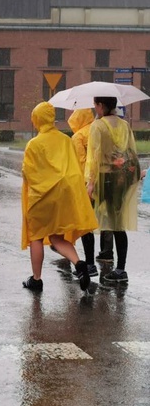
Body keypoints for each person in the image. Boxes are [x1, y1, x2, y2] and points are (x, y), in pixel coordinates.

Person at [21, 102, 97, 292]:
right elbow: (73, 168)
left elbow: (27, 172)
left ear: (37, 119)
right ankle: (79, 264)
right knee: (57, 237)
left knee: (36, 237)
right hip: (63, 197)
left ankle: (36, 279)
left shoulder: (34, 144)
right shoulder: (65, 140)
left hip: (41, 198)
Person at [85, 96, 140, 283]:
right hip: (120, 179)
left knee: (87, 220)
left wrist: (90, 183)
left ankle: (90, 264)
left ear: (101, 106)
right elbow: (130, 150)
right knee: (118, 223)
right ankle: (120, 269)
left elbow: (94, 155)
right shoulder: (124, 125)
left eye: (95, 104)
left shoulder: (98, 126)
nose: (94, 108)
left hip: (102, 177)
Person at [67, 108, 100, 279]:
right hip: (103, 181)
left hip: (86, 184)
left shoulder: (78, 137)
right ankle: (107, 254)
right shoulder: (99, 129)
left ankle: (90, 263)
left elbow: (78, 164)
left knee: (86, 224)